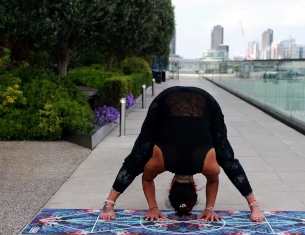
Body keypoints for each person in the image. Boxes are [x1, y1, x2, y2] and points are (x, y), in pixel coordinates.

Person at [99, 86, 265, 222]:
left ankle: (109, 204)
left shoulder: (208, 166)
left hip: (190, 101)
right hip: (187, 101)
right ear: (171, 186)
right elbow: (146, 178)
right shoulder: (161, 161)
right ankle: (109, 203)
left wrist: (154, 208)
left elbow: (215, 179)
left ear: (193, 186)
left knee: (139, 156)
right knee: (226, 158)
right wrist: (210, 209)